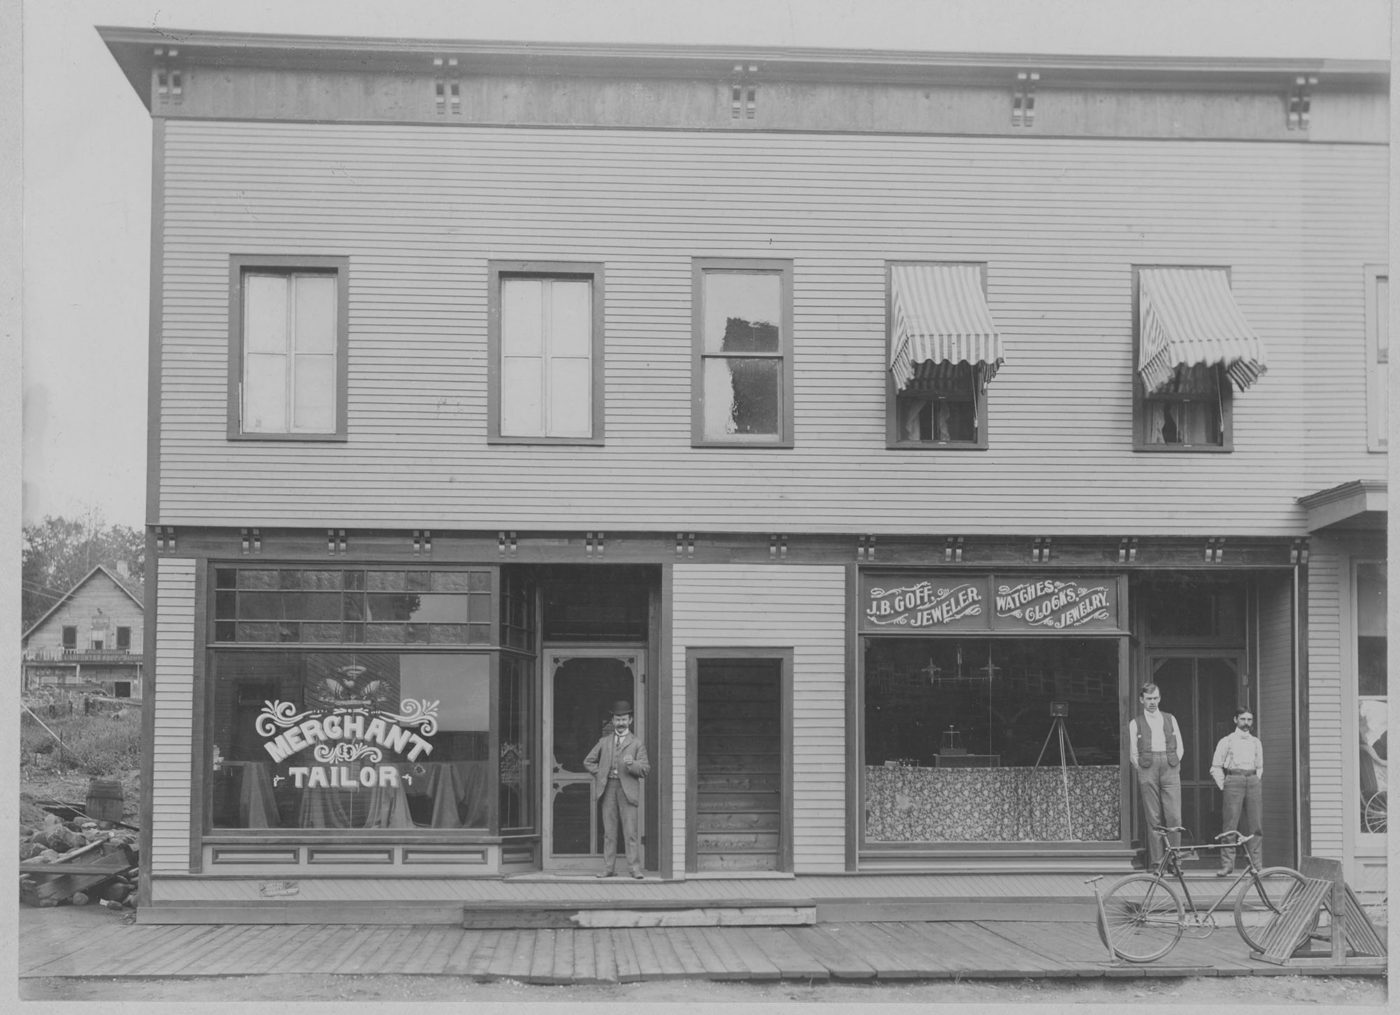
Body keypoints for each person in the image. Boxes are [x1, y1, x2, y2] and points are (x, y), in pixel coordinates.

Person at [583, 698, 650, 879]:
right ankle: (608, 869)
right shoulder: (604, 742)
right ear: (613, 722)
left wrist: (632, 764)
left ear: (630, 721)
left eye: (624, 719)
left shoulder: (637, 743)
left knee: (631, 833)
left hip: (627, 790)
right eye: (617, 719)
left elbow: (645, 769)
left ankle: (634, 869)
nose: (620, 723)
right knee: (609, 833)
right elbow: (588, 761)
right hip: (608, 789)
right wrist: (601, 773)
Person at [1127, 683, 1184, 866]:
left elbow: (1180, 746)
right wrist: (1143, 768)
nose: (1152, 702)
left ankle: (1175, 861)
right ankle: (1158, 863)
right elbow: (1133, 753)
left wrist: (1173, 762)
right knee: (1154, 817)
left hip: (1169, 765)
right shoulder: (1135, 723)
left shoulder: (1170, 718)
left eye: (1155, 698)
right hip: (1147, 766)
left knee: (1174, 816)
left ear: (1160, 698)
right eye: (1149, 699)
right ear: (1142, 700)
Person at [1211, 707, 1263, 874]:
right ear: (1235, 720)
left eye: (1249, 720)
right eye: (1243, 719)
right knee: (1230, 824)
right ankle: (1227, 865)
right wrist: (1225, 784)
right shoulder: (1227, 741)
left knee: (1255, 824)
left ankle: (1256, 865)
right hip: (1233, 780)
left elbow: (1260, 766)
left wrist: (1254, 780)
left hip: (1252, 780)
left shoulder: (1256, 742)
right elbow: (1215, 767)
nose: (1246, 723)